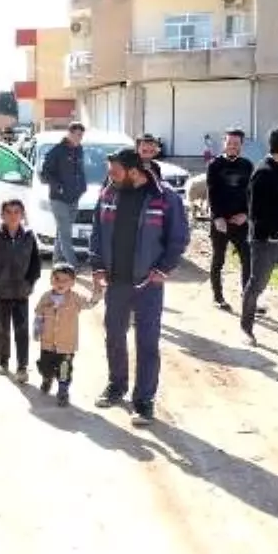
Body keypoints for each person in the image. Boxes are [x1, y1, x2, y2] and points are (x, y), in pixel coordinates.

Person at [89, 147, 189, 427]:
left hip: (148, 284)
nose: (110, 176)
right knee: (114, 336)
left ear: (134, 171)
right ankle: (116, 385)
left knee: (147, 342)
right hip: (116, 282)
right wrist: (97, 266)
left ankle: (144, 400)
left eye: (115, 172)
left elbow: (179, 237)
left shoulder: (164, 197)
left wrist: (163, 269)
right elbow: (97, 231)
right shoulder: (109, 192)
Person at [239, 126, 278, 343]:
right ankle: (245, 328)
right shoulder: (264, 172)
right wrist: (270, 235)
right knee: (257, 284)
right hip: (266, 242)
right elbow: (255, 211)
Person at [0, 198, 42, 383]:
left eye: (17, 212)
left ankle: (22, 366)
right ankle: (3, 360)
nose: (13, 216)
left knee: (22, 330)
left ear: (22, 215)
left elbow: (35, 264)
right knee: (2, 327)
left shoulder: (29, 237)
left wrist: (29, 283)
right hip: (2, 292)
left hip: (22, 293)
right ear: (2, 215)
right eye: (8, 212)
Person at [33, 263, 102, 407]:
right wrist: (37, 328)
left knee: (64, 369)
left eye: (65, 280)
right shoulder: (46, 297)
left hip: (67, 344)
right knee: (45, 366)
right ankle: (47, 378)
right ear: (51, 279)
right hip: (47, 342)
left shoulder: (75, 298)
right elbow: (39, 313)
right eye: (57, 279)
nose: (60, 283)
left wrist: (97, 293)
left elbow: (89, 304)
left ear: (72, 282)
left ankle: (63, 391)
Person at [206, 128, 255, 312]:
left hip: (240, 221)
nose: (232, 146)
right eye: (229, 143)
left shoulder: (247, 165)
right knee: (218, 259)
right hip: (220, 221)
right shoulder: (214, 165)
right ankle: (218, 297)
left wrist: (246, 214)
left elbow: (251, 194)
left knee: (248, 259)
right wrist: (217, 217)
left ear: (241, 145)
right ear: (224, 143)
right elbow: (211, 192)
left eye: (236, 143)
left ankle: (247, 297)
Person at [39, 121, 86, 265]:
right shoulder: (57, 151)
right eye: (77, 135)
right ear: (69, 133)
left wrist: (82, 187)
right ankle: (73, 265)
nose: (79, 138)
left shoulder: (79, 150)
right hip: (59, 199)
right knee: (66, 234)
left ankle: (56, 260)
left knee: (62, 231)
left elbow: (80, 170)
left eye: (81, 135)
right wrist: (58, 186)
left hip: (74, 198)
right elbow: (44, 174)